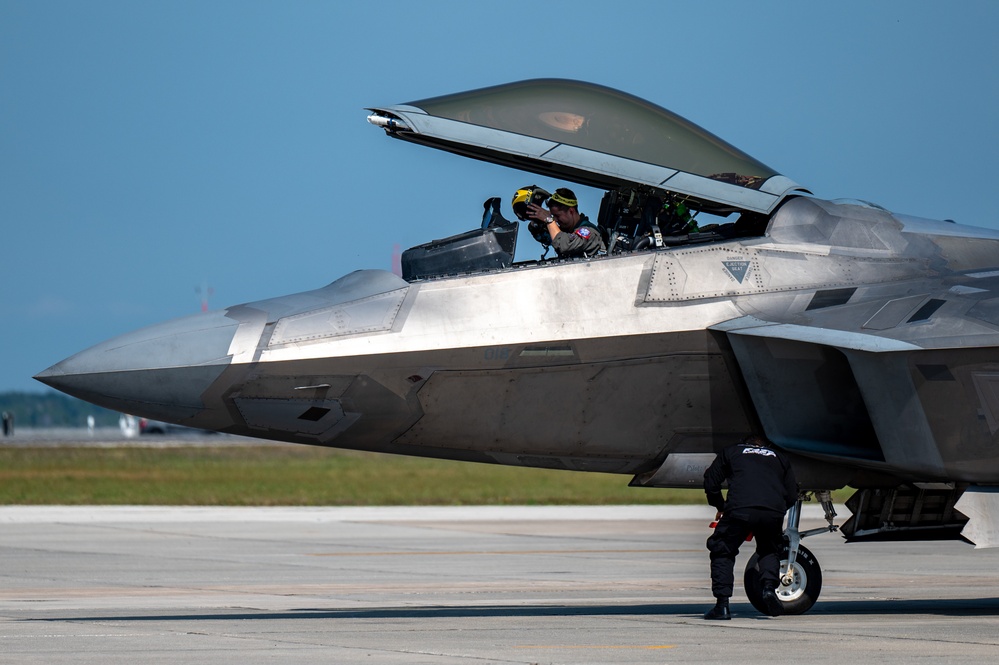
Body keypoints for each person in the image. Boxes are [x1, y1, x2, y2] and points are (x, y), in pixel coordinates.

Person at [702, 435, 798, 620]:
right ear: (766, 446)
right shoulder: (779, 456)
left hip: (740, 508)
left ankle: (722, 606)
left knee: (722, 550)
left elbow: (711, 482)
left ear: (745, 443)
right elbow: (792, 494)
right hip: (772, 511)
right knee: (769, 550)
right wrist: (774, 512)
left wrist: (720, 507)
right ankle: (769, 589)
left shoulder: (732, 451)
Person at [523, 187, 605, 258]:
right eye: (552, 216)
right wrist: (535, 220)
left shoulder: (588, 232)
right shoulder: (565, 231)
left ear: (571, 211)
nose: (555, 220)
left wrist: (549, 220)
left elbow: (565, 245)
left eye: (557, 216)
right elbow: (544, 237)